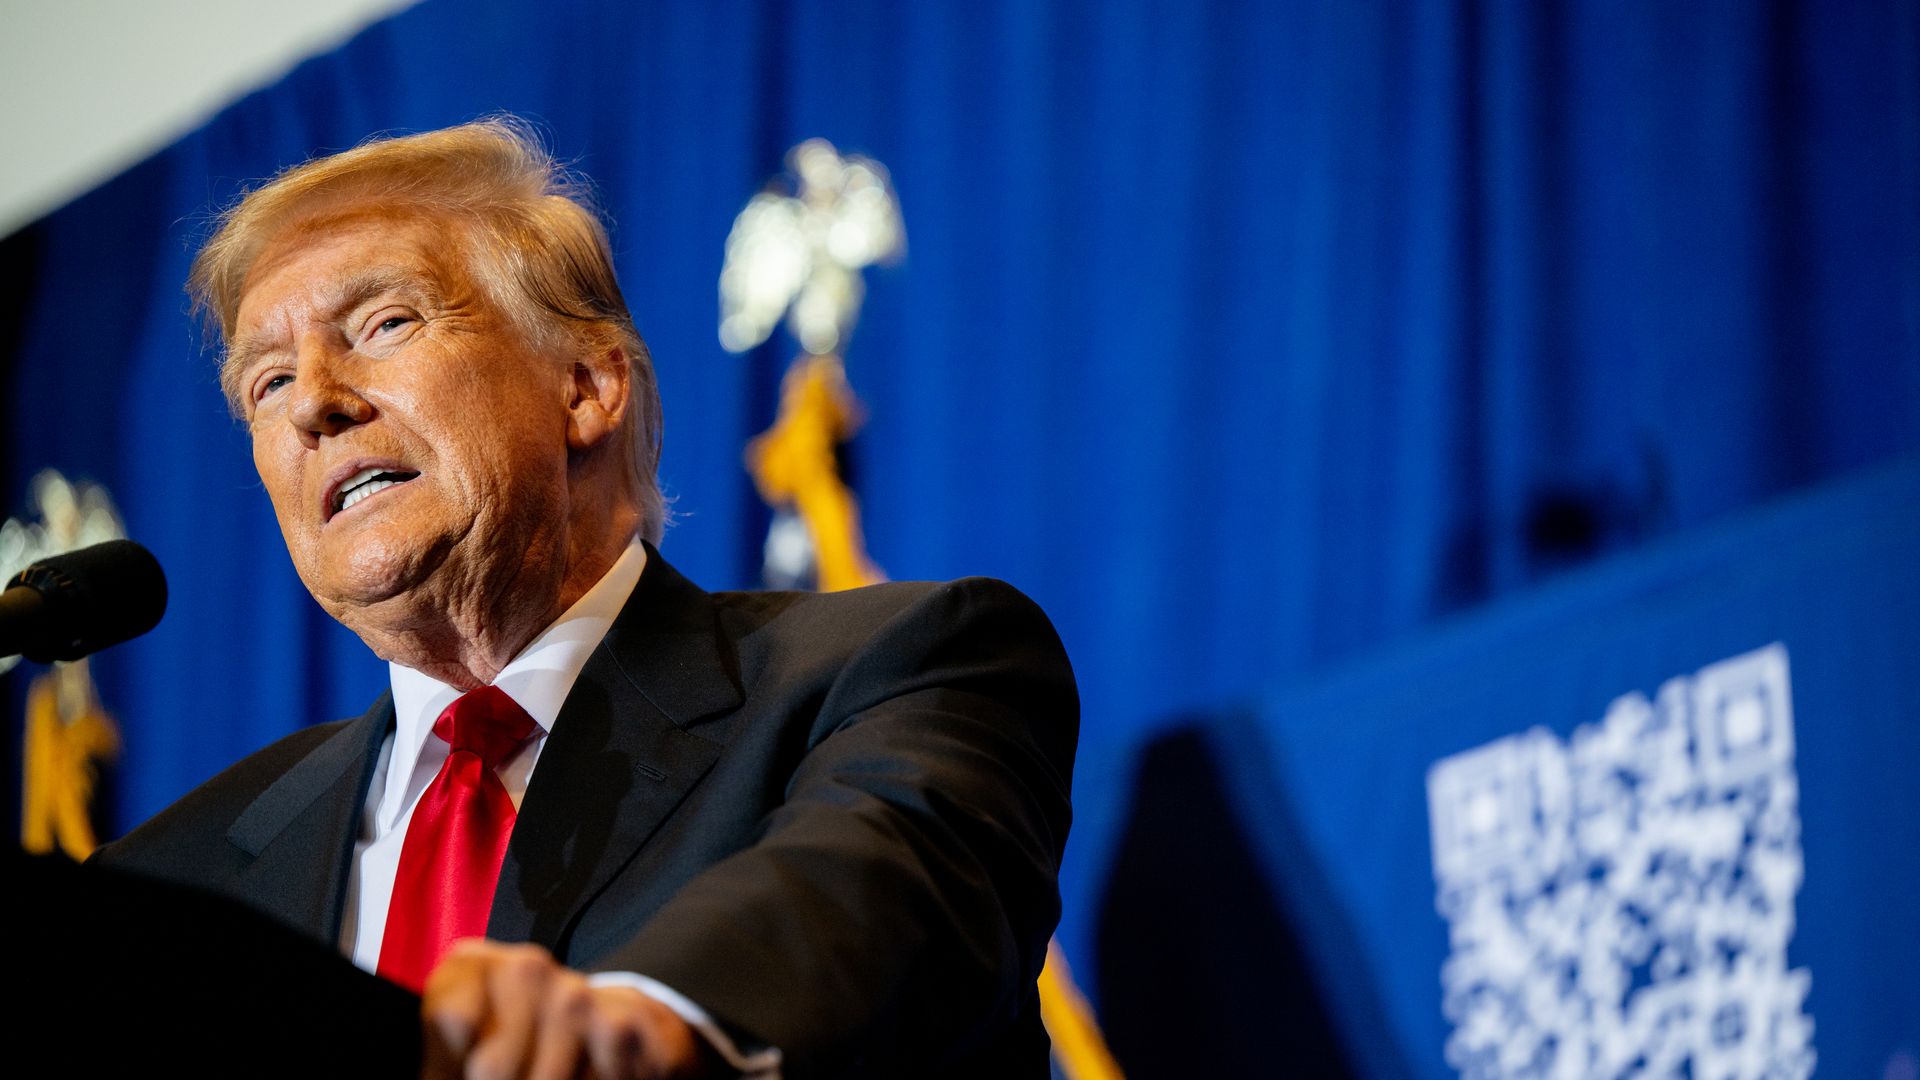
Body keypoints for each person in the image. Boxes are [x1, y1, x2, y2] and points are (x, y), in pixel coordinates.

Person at [94, 118, 1078, 1080]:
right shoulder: (168, 876)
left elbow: (877, 878)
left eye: (385, 324)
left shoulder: (902, 666)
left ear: (586, 387)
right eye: (267, 384)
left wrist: (650, 1018)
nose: (313, 403)